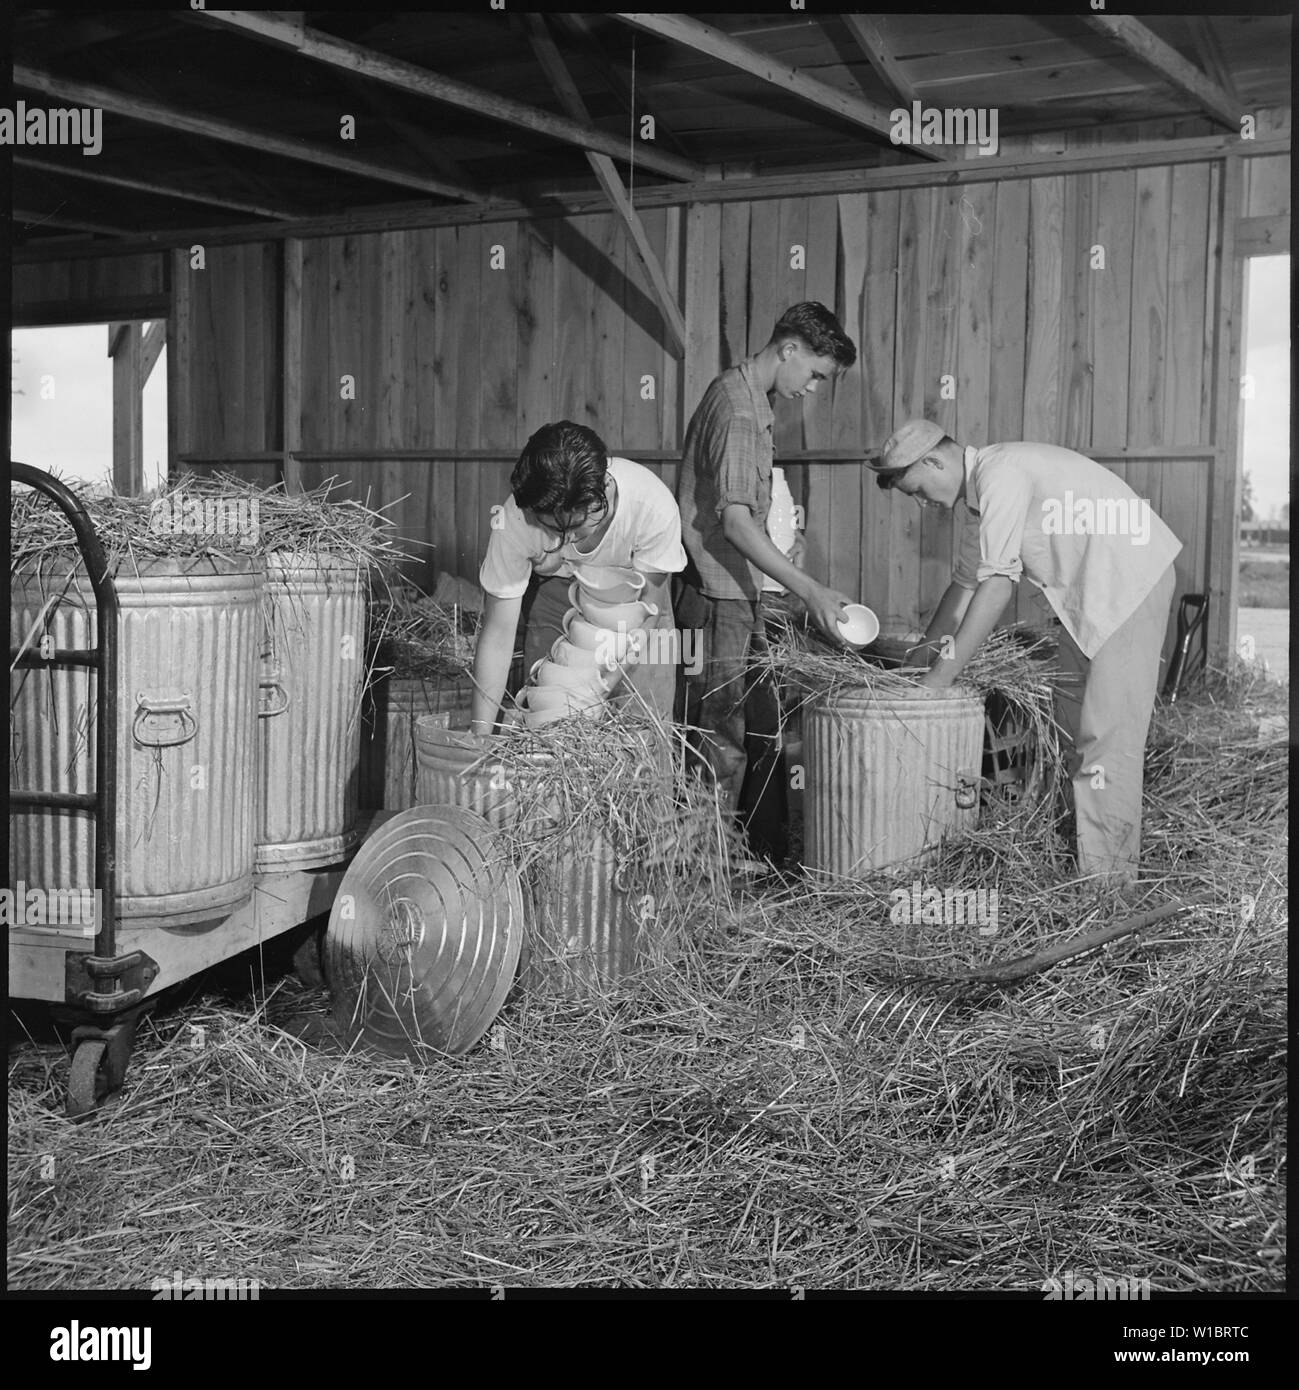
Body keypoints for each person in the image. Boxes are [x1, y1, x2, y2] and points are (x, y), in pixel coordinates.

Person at [869, 419, 1182, 889]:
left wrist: (938, 683)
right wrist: (921, 658)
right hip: (1093, 596)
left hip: (1128, 583)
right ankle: (1081, 852)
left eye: (917, 489)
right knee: (1071, 725)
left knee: (1105, 743)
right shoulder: (981, 497)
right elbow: (965, 585)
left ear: (935, 460)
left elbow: (995, 588)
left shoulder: (1001, 475)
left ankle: (1107, 894)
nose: (922, 503)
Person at [675, 301, 859, 836]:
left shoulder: (747, 398)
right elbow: (733, 522)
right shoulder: (737, 411)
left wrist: (786, 541)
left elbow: (738, 504)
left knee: (744, 727)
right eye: (817, 374)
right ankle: (702, 872)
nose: (814, 388)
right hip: (716, 593)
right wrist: (812, 591)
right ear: (790, 349)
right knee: (718, 735)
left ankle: (725, 859)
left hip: (734, 589)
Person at [469, 421, 686, 734]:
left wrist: (603, 684)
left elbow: (647, 617)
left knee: (642, 730)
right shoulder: (515, 519)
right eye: (549, 528)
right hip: (558, 589)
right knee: (548, 713)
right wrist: (480, 734)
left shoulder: (651, 505)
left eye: (572, 527)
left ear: (604, 493)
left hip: (635, 603)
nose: (561, 542)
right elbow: (498, 636)